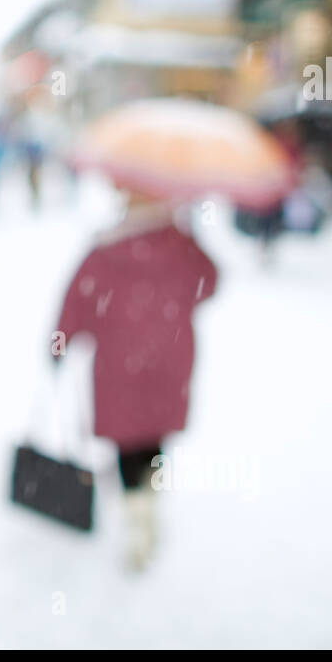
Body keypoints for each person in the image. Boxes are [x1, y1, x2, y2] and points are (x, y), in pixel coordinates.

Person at [53, 184, 217, 571]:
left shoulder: (106, 249)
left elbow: (74, 305)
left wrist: (57, 346)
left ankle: (136, 514)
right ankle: (149, 503)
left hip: (116, 365)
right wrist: (190, 236)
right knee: (154, 438)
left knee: (127, 440)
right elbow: (209, 285)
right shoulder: (183, 247)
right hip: (171, 359)